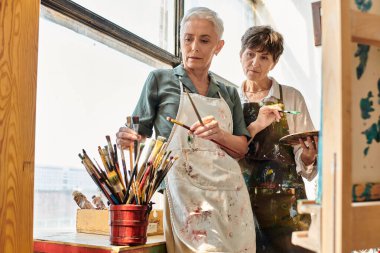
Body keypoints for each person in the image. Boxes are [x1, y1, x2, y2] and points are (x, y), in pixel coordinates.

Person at [116, 7, 256, 253]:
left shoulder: (229, 92)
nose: (194, 47)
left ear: (218, 46)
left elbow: (241, 149)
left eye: (204, 40)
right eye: (188, 39)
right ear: (180, 40)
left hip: (230, 197)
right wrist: (127, 138)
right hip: (183, 194)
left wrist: (219, 135)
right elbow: (137, 133)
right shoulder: (160, 80)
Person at [238, 25, 318, 253]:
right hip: (244, 201)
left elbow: (305, 158)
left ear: (274, 62)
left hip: (287, 203)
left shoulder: (291, 97)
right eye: (250, 54)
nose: (255, 62)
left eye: (264, 57)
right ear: (240, 54)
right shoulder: (231, 98)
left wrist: (309, 155)